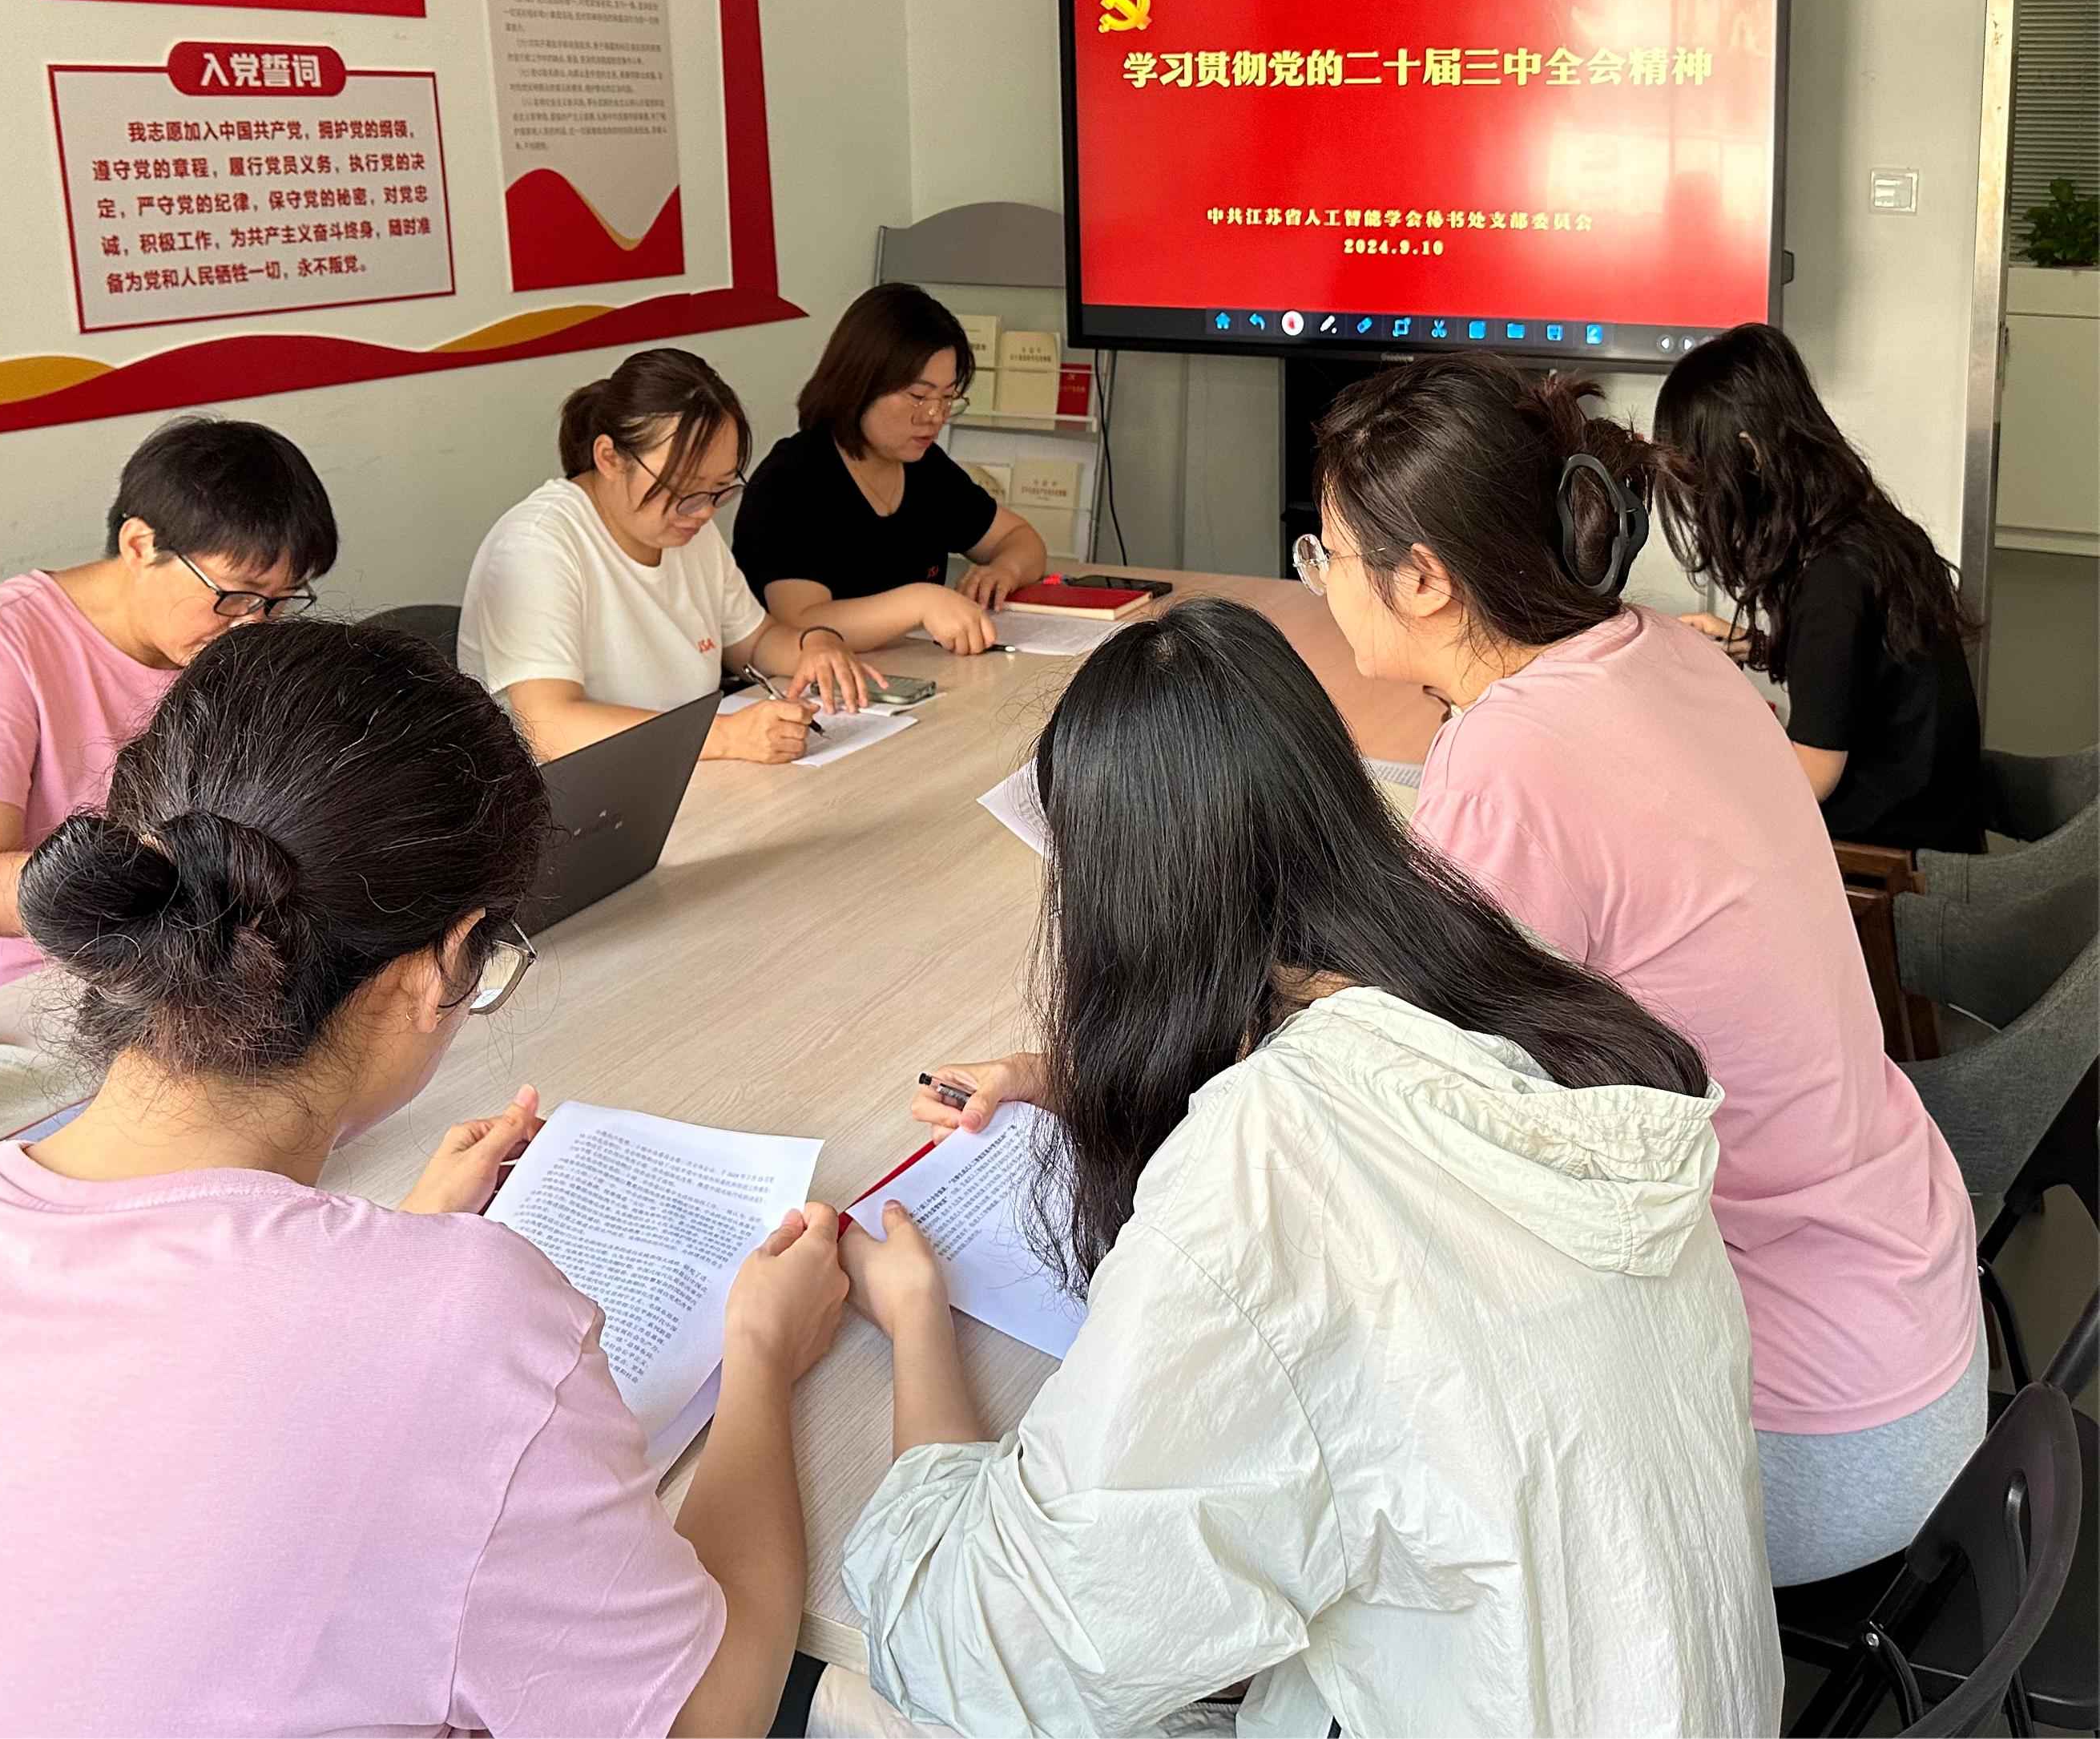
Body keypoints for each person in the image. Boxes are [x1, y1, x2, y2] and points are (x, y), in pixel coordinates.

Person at [0, 619, 852, 1737]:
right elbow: (705, 1717)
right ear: (437, 969)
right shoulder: (466, 1323)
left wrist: (388, 1254)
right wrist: (756, 1355)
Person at [828, 599, 1777, 1738]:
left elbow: (990, 1648)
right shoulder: (1511, 993)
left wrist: (916, 1321)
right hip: (1661, 1688)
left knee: (865, 1699)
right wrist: (1101, 1078)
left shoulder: (1268, 1161)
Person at [1303, 357, 1981, 1586]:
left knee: (1331, 1389)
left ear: (1425, 580)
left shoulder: (1510, 759)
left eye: (1327, 554)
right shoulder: (1656, 649)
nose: (1320, 580)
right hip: (1912, 1327)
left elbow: (1404, 1110)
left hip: (1801, 1438)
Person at [0, 414, 337, 1009]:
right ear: (140, 546)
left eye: (281, 601)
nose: (253, 624)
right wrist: (189, 872)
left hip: (184, 968)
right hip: (17, 996)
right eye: (233, 594)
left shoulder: (230, 643)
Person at [459, 347, 882, 763]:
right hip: (576, 793)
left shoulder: (687, 527)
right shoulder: (537, 545)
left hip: (680, 773)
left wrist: (815, 644)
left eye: (720, 489)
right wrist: (725, 736)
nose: (704, 512)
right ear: (609, 458)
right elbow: (547, 727)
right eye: (684, 489)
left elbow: (754, 643)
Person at [1654, 322, 1985, 853]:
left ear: (1751, 456)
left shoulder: (1830, 579)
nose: (1696, 495)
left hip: (1894, 860)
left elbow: (1812, 776)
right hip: (1939, 823)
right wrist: (1756, 647)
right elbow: (1859, 671)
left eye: (1697, 471)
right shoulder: (1868, 531)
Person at [731, 284, 1050, 656]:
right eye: (918, 396)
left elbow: (1022, 539)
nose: (935, 417)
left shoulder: (925, 468)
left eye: (947, 398)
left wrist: (1005, 571)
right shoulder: (793, 478)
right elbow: (799, 622)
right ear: (859, 384)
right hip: (806, 682)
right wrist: (919, 603)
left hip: (910, 672)